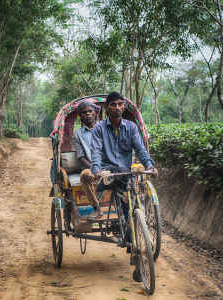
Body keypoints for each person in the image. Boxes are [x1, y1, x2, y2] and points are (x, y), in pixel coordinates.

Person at [90, 91, 157, 282]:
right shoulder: (99, 129)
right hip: (109, 174)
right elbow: (95, 152)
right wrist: (96, 170)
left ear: (124, 107)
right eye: (113, 105)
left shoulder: (131, 127)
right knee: (111, 200)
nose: (117, 108)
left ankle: (134, 243)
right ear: (107, 108)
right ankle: (131, 242)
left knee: (134, 209)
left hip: (126, 173)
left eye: (120, 104)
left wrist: (150, 165)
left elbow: (141, 150)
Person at [73, 101, 103, 219]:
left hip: (108, 165)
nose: (88, 114)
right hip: (90, 167)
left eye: (90, 111)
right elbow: (80, 156)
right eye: (84, 112)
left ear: (95, 113)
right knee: (85, 176)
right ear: (80, 116)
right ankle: (97, 209)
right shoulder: (78, 134)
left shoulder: (104, 127)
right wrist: (94, 168)